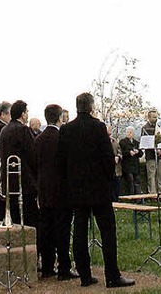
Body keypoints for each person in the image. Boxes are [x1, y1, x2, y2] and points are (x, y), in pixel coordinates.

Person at [56, 91, 135, 288]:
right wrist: (109, 180)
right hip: (99, 189)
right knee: (108, 232)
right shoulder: (99, 127)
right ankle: (112, 276)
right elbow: (108, 159)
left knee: (79, 231)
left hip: (76, 189)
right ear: (92, 107)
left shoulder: (66, 129)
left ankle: (84, 276)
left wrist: (69, 183)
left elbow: (60, 161)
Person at [35, 103, 77, 281]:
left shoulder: (38, 138)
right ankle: (64, 268)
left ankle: (46, 267)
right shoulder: (62, 138)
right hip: (62, 191)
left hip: (44, 190)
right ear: (60, 118)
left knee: (46, 229)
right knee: (63, 230)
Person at [0, 99, 38, 229]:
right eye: (27, 112)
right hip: (25, 182)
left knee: (15, 216)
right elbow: (33, 155)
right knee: (29, 219)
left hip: (9, 182)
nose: (27, 114)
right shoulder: (23, 130)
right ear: (22, 114)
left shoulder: (4, 130)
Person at [141, 108, 161, 194]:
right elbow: (144, 142)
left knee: (160, 176)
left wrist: (160, 149)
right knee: (151, 176)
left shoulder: (158, 127)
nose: (155, 119)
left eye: (156, 117)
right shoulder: (144, 128)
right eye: (154, 117)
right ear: (149, 117)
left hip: (159, 155)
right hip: (150, 155)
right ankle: (153, 194)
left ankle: (160, 194)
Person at [119, 126, 142, 195]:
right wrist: (129, 152)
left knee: (137, 181)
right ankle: (131, 196)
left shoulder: (136, 142)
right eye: (128, 132)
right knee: (130, 181)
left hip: (135, 165)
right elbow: (122, 152)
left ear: (133, 133)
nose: (129, 134)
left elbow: (141, 153)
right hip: (127, 165)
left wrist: (137, 152)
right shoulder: (122, 142)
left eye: (131, 132)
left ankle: (138, 197)